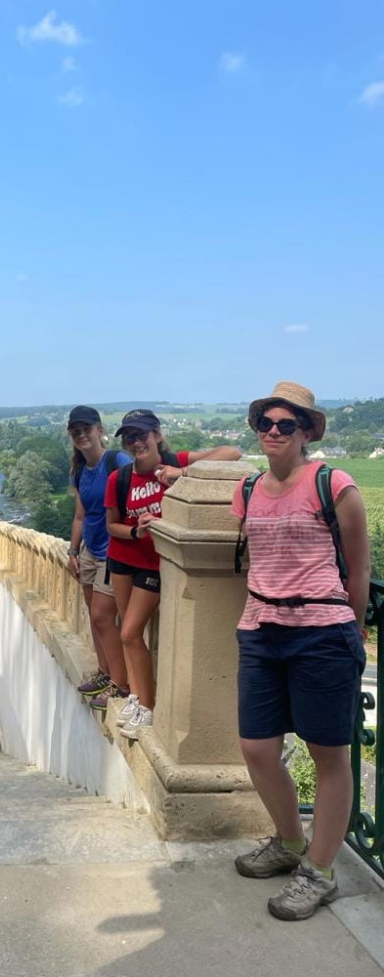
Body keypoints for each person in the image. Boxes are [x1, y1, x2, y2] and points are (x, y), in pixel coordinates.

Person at [231, 381, 370, 921]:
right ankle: (289, 843)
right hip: (261, 628)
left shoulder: (334, 486)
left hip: (322, 633)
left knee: (328, 756)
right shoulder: (245, 492)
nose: (272, 431)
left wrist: (352, 632)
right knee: (257, 748)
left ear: (306, 432)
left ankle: (320, 869)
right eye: (265, 422)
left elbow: (358, 570)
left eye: (285, 424)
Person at [105, 409, 241, 739]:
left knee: (130, 632)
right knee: (128, 631)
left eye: (142, 435)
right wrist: (137, 531)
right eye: (130, 438)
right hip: (123, 558)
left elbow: (232, 454)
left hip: (155, 565)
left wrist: (181, 471)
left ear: (157, 436)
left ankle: (147, 707)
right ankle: (136, 699)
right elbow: (112, 525)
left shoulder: (175, 462)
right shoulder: (120, 479)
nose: (136, 443)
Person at [67, 406, 132, 710]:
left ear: (99, 429)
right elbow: (80, 515)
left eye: (86, 429)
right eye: (76, 431)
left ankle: (120, 685)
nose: (82, 435)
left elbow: (136, 495)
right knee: (94, 615)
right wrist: (72, 550)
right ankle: (105, 673)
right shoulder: (80, 470)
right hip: (90, 550)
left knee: (102, 616)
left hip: (114, 550)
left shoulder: (115, 461)